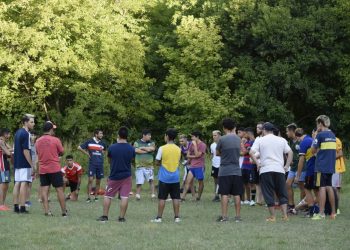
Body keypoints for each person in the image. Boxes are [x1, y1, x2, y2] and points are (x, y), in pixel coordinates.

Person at [250, 122, 293, 222]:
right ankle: (285, 216)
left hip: (266, 169)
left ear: (264, 130)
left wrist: (257, 163)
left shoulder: (260, 140)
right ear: (273, 130)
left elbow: (251, 152)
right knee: (282, 192)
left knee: (268, 192)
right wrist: (286, 166)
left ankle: (273, 216)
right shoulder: (281, 140)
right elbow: (290, 152)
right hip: (279, 169)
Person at [97, 127, 135, 222]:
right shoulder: (131, 148)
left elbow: (110, 160)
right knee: (124, 196)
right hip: (127, 176)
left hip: (114, 176)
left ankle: (105, 216)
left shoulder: (112, 147)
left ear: (118, 135)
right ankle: (121, 218)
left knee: (108, 195)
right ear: (127, 136)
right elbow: (131, 160)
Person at [36, 121, 67, 216]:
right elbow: (62, 152)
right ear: (50, 130)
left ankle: (47, 211)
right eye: (53, 129)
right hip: (54, 169)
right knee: (59, 190)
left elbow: (38, 153)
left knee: (44, 190)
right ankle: (64, 212)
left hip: (43, 170)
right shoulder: (56, 140)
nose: (54, 130)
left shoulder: (37, 141)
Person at [151, 128, 182, 223]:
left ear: (167, 136)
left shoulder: (162, 148)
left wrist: (162, 164)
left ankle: (159, 218)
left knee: (162, 198)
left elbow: (157, 161)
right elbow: (178, 161)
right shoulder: (178, 149)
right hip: (175, 177)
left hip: (164, 178)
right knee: (176, 197)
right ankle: (177, 217)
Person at [216, 118, 243, 222]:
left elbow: (217, 153)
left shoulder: (222, 139)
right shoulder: (238, 139)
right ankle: (237, 217)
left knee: (224, 194)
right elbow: (241, 152)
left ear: (224, 128)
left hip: (225, 170)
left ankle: (224, 216)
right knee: (237, 194)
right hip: (237, 170)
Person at [311, 115, 337, 220]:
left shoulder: (320, 135)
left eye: (317, 123)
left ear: (320, 123)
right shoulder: (333, 135)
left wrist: (314, 137)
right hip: (330, 166)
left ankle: (321, 213)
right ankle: (333, 213)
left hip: (321, 166)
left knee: (321, 187)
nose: (317, 126)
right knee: (329, 187)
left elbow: (313, 150)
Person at [13, 114, 35, 214]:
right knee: (24, 183)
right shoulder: (26, 134)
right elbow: (26, 151)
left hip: (17, 162)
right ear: (26, 123)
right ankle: (22, 207)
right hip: (24, 162)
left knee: (17, 183)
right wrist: (31, 164)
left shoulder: (17, 132)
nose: (33, 124)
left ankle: (16, 207)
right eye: (31, 122)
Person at [78, 129, 106, 202]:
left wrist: (101, 154)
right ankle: (88, 197)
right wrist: (87, 153)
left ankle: (96, 197)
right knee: (90, 180)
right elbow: (79, 147)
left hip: (100, 164)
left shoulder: (103, 143)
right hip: (92, 164)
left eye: (102, 134)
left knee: (98, 181)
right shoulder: (89, 142)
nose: (102, 135)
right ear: (96, 134)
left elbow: (104, 150)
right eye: (100, 134)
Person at [295, 128, 318, 217]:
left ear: (297, 137)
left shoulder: (303, 142)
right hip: (317, 168)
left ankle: (312, 211)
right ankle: (317, 209)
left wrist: (298, 175)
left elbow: (301, 161)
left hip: (311, 168)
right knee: (316, 190)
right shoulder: (311, 139)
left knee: (307, 189)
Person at [181, 131, 206, 201]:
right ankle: (182, 197)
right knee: (187, 181)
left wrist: (195, 146)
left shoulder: (202, 145)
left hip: (200, 166)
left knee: (200, 182)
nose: (191, 138)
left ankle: (199, 197)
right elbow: (188, 155)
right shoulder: (191, 144)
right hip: (192, 166)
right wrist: (193, 157)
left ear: (197, 137)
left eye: (193, 137)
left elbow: (198, 154)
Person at [285, 123, 303, 213]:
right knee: (287, 184)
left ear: (292, 131)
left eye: (287, 131)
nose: (286, 133)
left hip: (300, 167)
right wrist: (290, 161)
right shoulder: (290, 142)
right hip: (293, 167)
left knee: (302, 186)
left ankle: (303, 206)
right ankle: (291, 205)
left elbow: (302, 156)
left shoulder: (300, 141)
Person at [134, 129, 156, 200]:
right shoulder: (137, 142)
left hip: (149, 166)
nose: (150, 136)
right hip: (139, 165)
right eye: (148, 135)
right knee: (139, 182)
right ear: (144, 135)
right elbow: (136, 150)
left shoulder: (152, 142)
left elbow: (152, 149)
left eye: (150, 135)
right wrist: (147, 151)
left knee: (151, 180)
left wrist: (143, 148)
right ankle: (137, 195)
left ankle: (153, 194)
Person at [241, 128, 257, 206]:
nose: (244, 136)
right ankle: (247, 199)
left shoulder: (254, 142)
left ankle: (252, 200)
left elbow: (245, 152)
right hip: (244, 165)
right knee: (244, 183)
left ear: (248, 133)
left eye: (245, 134)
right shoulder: (248, 142)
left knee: (252, 183)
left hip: (250, 165)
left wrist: (241, 144)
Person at [251, 122, 264, 205]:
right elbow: (253, 150)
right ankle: (259, 200)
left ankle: (263, 199)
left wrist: (255, 157)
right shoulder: (257, 139)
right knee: (257, 182)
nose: (257, 129)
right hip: (255, 163)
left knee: (263, 182)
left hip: (263, 164)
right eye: (256, 127)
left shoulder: (265, 139)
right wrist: (252, 158)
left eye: (259, 128)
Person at [332, 136, 346, 214]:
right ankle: (331, 207)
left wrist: (330, 158)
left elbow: (340, 153)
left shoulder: (336, 140)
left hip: (337, 168)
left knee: (336, 189)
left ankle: (336, 208)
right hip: (330, 168)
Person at [0, 128, 13, 211]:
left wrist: (8, 150)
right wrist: (8, 151)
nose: (9, 135)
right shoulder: (1, 141)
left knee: (6, 184)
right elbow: (9, 153)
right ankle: (1, 205)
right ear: (5, 134)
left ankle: (3, 204)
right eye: (8, 134)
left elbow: (10, 148)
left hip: (5, 163)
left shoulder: (4, 141)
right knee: (3, 185)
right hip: (2, 164)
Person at [26, 132, 37, 207]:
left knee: (30, 184)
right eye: (31, 135)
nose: (32, 136)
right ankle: (24, 200)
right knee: (25, 183)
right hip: (27, 166)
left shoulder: (37, 145)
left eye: (34, 135)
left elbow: (37, 156)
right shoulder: (27, 145)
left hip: (33, 166)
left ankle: (27, 200)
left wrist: (35, 166)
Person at [210, 130, 221, 202]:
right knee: (215, 181)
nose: (214, 137)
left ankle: (226, 196)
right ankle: (216, 195)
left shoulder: (223, 143)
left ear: (219, 135)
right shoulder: (212, 145)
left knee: (222, 181)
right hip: (214, 165)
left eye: (215, 135)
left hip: (221, 164)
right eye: (213, 135)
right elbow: (212, 154)